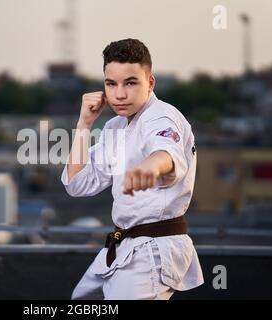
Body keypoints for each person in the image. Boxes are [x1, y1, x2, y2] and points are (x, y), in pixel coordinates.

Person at [61, 38, 204, 300]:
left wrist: (150, 167)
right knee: (81, 300)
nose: (119, 94)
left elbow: (166, 152)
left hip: (154, 249)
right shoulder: (115, 127)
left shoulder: (162, 116)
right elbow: (77, 184)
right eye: (111, 84)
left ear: (150, 83)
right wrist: (83, 124)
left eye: (130, 82)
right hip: (122, 246)